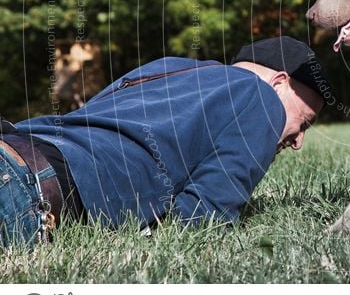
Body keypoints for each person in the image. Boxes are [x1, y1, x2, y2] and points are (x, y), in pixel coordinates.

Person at [0, 36, 328, 248]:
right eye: (304, 122)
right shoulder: (262, 97)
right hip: (28, 186)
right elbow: (200, 222)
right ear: (279, 83)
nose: (298, 141)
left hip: (18, 146)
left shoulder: (168, 68)